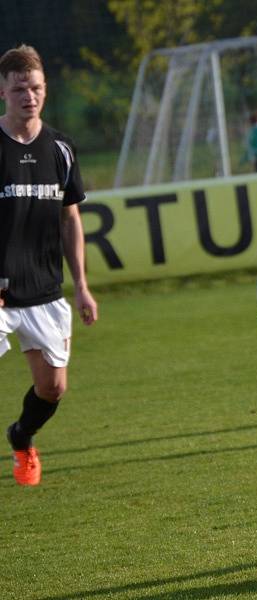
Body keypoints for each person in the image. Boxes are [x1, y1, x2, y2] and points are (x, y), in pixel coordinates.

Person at [0, 44, 98, 487]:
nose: (29, 96)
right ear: (3, 90)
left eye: (36, 87)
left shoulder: (60, 147)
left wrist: (81, 284)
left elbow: (70, 217)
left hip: (43, 289)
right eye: (20, 88)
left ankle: (22, 437)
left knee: (52, 388)